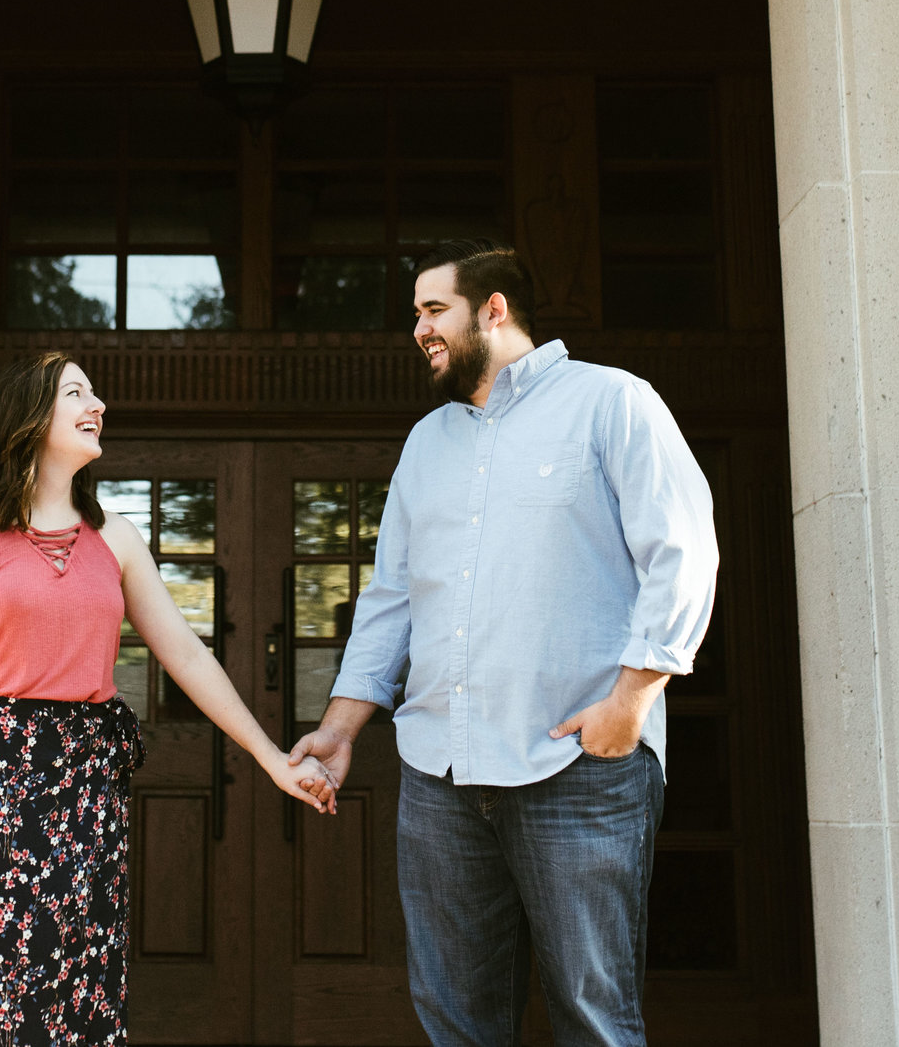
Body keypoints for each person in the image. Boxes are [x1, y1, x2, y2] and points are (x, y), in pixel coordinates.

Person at [288, 241, 718, 1047]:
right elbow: (390, 602)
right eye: (414, 313)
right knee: (457, 1025)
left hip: (578, 768)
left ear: (494, 309)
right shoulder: (427, 442)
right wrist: (342, 728)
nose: (416, 328)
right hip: (439, 776)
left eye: (432, 308)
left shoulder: (612, 402)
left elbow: (684, 551)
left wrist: (630, 703)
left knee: (595, 1021)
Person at [0, 351, 335, 1047]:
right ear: (28, 416)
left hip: (82, 795)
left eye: (94, 392)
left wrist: (271, 758)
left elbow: (186, 654)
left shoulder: (115, 537)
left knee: (74, 994)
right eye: (76, 392)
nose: (97, 403)